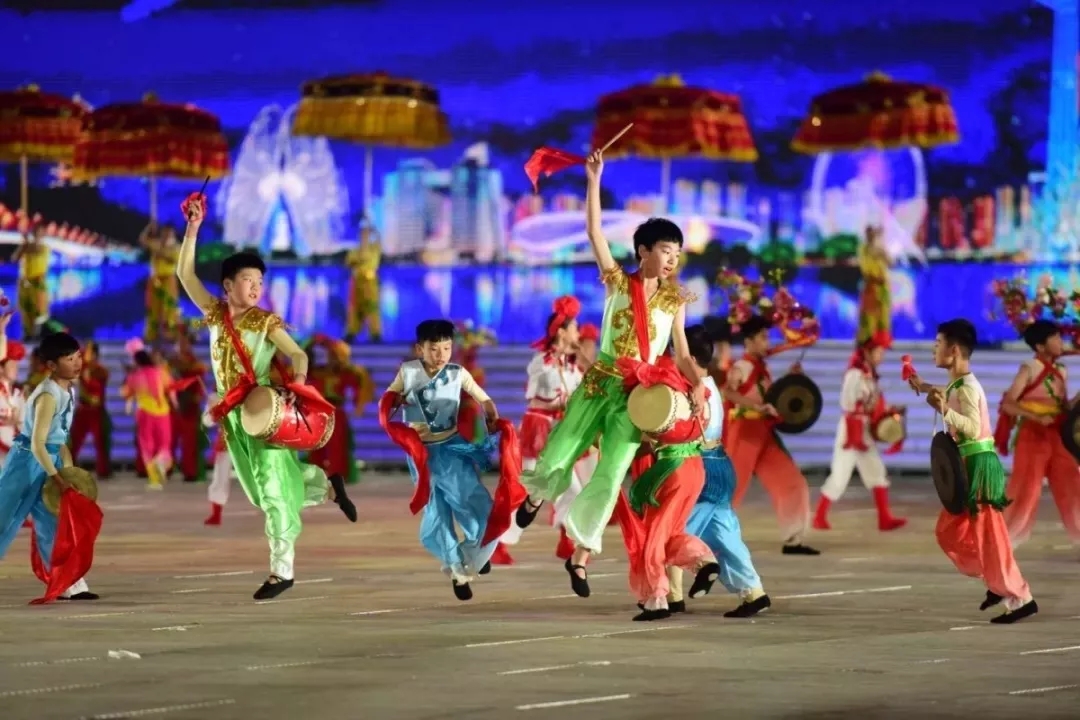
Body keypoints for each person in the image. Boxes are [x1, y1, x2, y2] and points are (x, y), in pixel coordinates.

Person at [516, 148, 704, 598]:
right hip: (600, 381)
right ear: (644, 251)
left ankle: (580, 554)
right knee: (564, 446)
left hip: (636, 396)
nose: (672, 259)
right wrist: (593, 178)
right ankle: (537, 495)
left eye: (677, 253)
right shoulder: (618, 282)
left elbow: (680, 353)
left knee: (613, 473)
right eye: (666, 250)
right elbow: (594, 231)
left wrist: (697, 383)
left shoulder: (675, 301)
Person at [175, 191, 357, 600]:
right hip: (233, 418)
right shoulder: (215, 315)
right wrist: (193, 227)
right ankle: (326, 484)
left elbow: (298, 354)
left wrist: (298, 386)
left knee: (273, 493)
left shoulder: (265, 322)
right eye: (248, 281)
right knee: (261, 493)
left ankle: (282, 570)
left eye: (260, 282)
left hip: (263, 411)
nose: (256, 287)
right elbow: (185, 275)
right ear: (227, 286)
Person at [907, 319, 1037, 624]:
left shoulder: (967, 387)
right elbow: (947, 394)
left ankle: (1021, 597)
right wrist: (922, 385)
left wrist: (943, 409)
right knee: (950, 532)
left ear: (953, 350)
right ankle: (996, 579)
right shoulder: (959, 384)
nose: (934, 349)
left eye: (938, 344)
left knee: (990, 536)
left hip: (978, 466)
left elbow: (972, 427)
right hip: (968, 465)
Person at [379, 319, 517, 600]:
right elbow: (388, 400)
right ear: (420, 349)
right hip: (422, 455)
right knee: (437, 512)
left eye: (446, 348)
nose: (441, 354)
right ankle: (456, 568)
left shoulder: (457, 373)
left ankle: (475, 554)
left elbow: (483, 398)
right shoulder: (408, 372)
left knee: (477, 504)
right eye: (434, 348)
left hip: (452, 450)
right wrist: (395, 404)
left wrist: (492, 417)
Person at [618, 328, 721, 622]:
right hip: (694, 468)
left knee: (653, 537)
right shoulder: (698, 389)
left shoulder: (665, 383)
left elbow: (655, 431)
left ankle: (657, 598)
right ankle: (703, 562)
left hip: (672, 470)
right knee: (669, 535)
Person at [679, 323, 770, 618]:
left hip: (703, 470)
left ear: (691, 359)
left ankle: (700, 569)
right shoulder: (711, 388)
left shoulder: (696, 392)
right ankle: (753, 592)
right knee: (725, 535)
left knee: (674, 531)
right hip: (720, 465)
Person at [0, 331, 97, 601]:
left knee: (53, 524)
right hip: (26, 463)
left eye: (78, 356)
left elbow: (59, 439)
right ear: (52, 365)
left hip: (48, 461)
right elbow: (37, 443)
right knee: (4, 519)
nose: (77, 363)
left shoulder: (68, 391)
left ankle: (69, 584)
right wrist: (58, 478)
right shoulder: (48, 395)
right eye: (69, 359)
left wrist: (68, 471)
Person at [500, 295, 592, 560]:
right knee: (528, 490)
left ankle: (566, 539)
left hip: (560, 431)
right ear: (561, 332)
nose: (578, 333)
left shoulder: (573, 366)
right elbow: (545, 392)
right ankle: (498, 541)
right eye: (574, 328)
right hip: (540, 429)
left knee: (572, 490)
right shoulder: (542, 362)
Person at [723, 315, 819, 555]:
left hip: (764, 434)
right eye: (763, 337)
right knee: (730, 491)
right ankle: (708, 540)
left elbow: (772, 398)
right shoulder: (741, 367)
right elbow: (728, 393)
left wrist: (792, 377)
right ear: (749, 341)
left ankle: (793, 540)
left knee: (792, 483)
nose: (767, 342)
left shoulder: (762, 369)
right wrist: (756, 407)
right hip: (744, 433)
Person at [996, 319, 1080, 547]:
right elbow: (1009, 404)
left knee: (1072, 486)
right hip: (1032, 435)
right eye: (1055, 338)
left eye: (1059, 337)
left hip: (1058, 435)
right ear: (1041, 346)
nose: (1061, 342)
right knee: (1026, 490)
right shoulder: (1029, 368)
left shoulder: (1062, 370)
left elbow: (1064, 408)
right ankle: (1005, 543)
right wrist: (1036, 417)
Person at [814, 331, 907, 532]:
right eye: (879, 352)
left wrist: (889, 410)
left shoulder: (867, 374)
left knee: (875, 471)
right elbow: (848, 404)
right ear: (867, 352)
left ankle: (884, 518)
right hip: (851, 429)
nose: (881, 356)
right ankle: (819, 516)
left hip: (861, 427)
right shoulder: (855, 374)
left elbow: (872, 405)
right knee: (840, 474)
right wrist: (857, 429)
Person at [307, 335, 373, 485]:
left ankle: (337, 476)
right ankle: (316, 475)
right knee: (315, 445)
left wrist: (359, 405)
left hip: (335, 412)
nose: (330, 358)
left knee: (337, 445)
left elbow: (361, 383)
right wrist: (315, 341)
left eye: (333, 354)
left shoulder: (346, 372)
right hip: (317, 412)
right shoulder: (315, 371)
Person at [122, 347, 176, 491]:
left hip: (145, 413)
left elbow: (126, 393)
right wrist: (175, 404)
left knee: (147, 446)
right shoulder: (161, 372)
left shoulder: (135, 376)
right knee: (164, 445)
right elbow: (171, 389)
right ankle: (161, 464)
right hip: (163, 412)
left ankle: (154, 479)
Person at [169, 327, 210, 483]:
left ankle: (191, 471)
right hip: (177, 403)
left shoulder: (194, 363)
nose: (181, 344)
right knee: (174, 439)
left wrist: (198, 395)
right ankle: (169, 469)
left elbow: (198, 379)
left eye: (184, 341)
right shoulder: (174, 361)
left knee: (190, 440)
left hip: (190, 404)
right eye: (179, 341)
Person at [69, 340, 112, 479]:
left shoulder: (100, 370)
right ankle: (68, 467)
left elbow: (98, 392)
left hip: (96, 410)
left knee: (100, 441)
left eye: (87, 351)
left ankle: (103, 470)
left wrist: (87, 379)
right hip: (83, 409)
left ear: (94, 354)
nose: (84, 353)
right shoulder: (81, 368)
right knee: (74, 439)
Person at [140, 224, 181, 344]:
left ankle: (170, 334)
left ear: (172, 234)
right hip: (155, 279)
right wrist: (149, 227)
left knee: (169, 307)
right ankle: (151, 335)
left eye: (168, 233)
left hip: (168, 279)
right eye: (164, 233)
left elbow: (174, 260)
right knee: (153, 307)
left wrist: (160, 253)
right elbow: (142, 240)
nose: (166, 236)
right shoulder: (156, 244)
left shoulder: (176, 247)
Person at [345, 220, 383, 343]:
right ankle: (351, 332)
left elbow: (378, 239)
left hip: (370, 283)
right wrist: (358, 262)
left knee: (372, 307)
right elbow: (349, 263)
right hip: (357, 282)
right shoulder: (354, 250)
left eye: (366, 234)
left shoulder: (374, 248)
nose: (364, 236)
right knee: (354, 308)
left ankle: (375, 333)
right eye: (362, 234)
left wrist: (373, 229)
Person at [13, 223, 50, 340]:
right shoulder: (26, 246)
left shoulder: (44, 248)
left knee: (39, 310)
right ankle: (27, 334)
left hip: (38, 282)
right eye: (36, 231)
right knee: (25, 308)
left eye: (40, 231)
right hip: (25, 282)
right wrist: (23, 246)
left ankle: (37, 335)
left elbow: (38, 254)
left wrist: (26, 244)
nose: (38, 234)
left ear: (43, 234)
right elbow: (14, 258)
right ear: (33, 233)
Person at [857, 225, 891, 345]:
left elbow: (890, 262)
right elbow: (864, 269)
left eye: (873, 233)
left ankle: (882, 340)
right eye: (869, 233)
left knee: (884, 315)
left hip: (883, 287)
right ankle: (867, 340)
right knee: (868, 315)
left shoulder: (880, 248)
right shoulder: (863, 249)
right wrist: (874, 277)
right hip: (870, 286)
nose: (871, 236)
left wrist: (883, 253)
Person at [0, 333, 27, 465]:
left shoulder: (18, 394)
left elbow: (24, 424)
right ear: (1, 369)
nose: (16, 369)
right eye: (12, 366)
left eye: (17, 366)